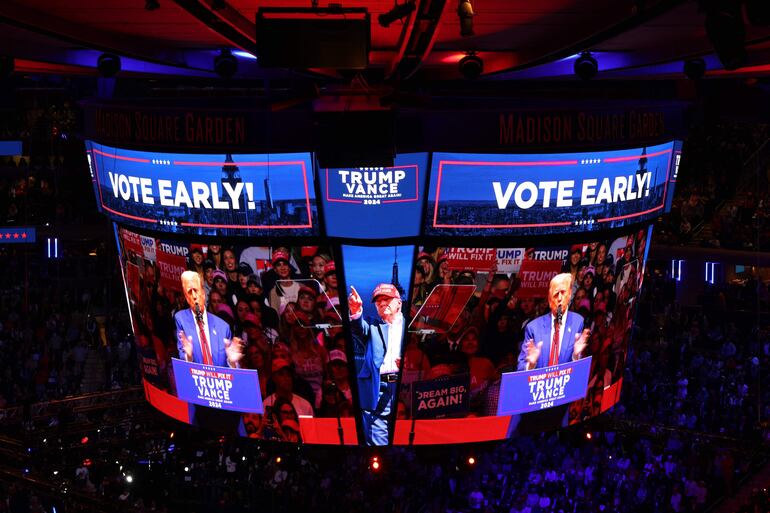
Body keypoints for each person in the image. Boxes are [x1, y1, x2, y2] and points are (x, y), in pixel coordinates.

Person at [348, 283, 405, 446]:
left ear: (399, 302)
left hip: (405, 387)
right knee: (378, 437)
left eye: (386, 299)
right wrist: (355, 310)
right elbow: (358, 327)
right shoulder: (373, 326)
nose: (381, 303)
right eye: (377, 301)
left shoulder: (412, 326)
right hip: (380, 386)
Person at [517, 273, 590, 371]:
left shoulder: (577, 322)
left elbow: (580, 371)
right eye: (556, 294)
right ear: (549, 299)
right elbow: (521, 368)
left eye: (563, 292)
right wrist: (531, 365)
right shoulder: (533, 328)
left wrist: (575, 357)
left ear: (569, 295)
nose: (559, 298)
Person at [175, 271, 243, 368]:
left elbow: (232, 371)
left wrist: (232, 363)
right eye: (189, 292)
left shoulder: (223, 327)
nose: (194, 296)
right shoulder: (181, 319)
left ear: (203, 293)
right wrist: (188, 357)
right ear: (186, 297)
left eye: (196, 290)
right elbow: (183, 357)